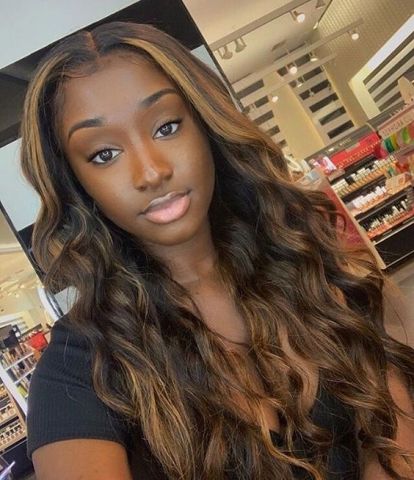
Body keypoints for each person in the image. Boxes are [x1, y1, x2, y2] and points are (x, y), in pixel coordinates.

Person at [19, 22, 414, 480]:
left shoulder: (303, 264)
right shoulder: (76, 371)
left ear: (206, 125)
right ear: (75, 182)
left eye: (167, 127)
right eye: (104, 154)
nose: (151, 172)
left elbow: (393, 444)